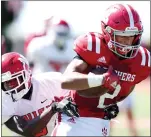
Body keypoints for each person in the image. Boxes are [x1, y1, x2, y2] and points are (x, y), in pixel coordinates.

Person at [51, 4, 150, 136]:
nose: (128, 42)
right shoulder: (94, 46)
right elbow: (65, 81)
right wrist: (101, 79)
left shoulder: (142, 60)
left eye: (132, 35)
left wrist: (112, 101)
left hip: (102, 123)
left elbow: (129, 85)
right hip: (74, 119)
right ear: (107, 32)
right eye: (122, 35)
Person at [2, 52, 79, 137]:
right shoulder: (4, 102)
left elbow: (77, 100)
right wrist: (53, 108)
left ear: (26, 74)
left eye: (14, 80)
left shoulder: (51, 81)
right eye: (6, 83)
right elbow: (26, 131)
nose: (11, 86)